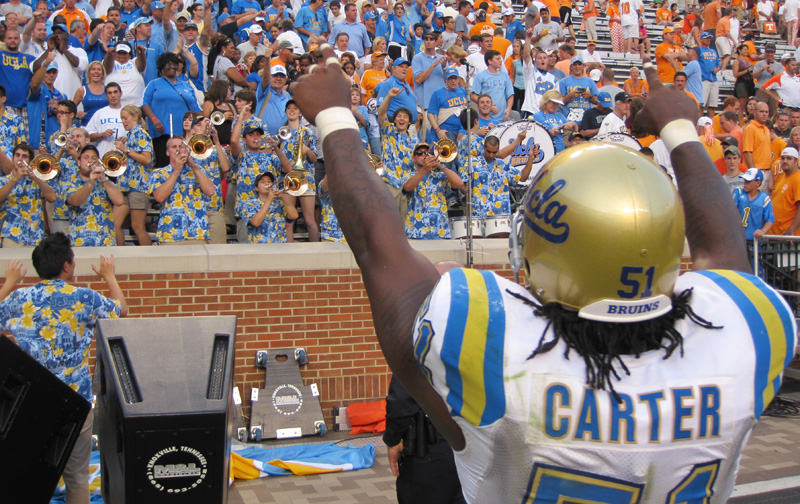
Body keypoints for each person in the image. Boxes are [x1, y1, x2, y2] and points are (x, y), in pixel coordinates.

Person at [290, 44, 797, 504]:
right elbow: (726, 250)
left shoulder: (492, 350)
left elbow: (378, 242)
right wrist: (683, 129)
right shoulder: (750, 333)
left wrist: (335, 116)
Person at [0, 234, 126, 504]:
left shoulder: (21, 298)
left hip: (31, 402)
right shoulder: (84, 297)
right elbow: (121, 311)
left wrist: (9, 282)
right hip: (75, 401)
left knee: (29, 474)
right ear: (67, 265)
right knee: (77, 478)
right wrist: (109, 276)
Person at [142, 52, 201, 168]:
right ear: (161, 67)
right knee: (164, 166)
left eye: (174, 64)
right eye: (168, 64)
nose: (172, 67)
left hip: (185, 135)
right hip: (162, 134)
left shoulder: (187, 86)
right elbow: (145, 105)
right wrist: (154, 119)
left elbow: (196, 109)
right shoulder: (153, 84)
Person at [63, 144, 124, 246]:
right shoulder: (71, 182)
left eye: (94, 158)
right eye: (86, 158)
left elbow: (119, 201)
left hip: (105, 241)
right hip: (80, 242)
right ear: (78, 162)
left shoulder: (105, 183)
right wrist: (91, 183)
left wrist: (104, 179)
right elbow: (75, 201)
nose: (90, 161)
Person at [401, 142, 464, 239]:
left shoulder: (440, 176)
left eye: (426, 152)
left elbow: (459, 183)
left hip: (440, 231)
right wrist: (425, 169)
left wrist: (440, 166)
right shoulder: (408, 175)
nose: (423, 155)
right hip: (417, 232)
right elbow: (408, 187)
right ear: (414, 158)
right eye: (419, 153)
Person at [111, 104, 153, 246]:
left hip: (138, 186)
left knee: (138, 227)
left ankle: (150, 260)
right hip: (124, 185)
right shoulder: (130, 135)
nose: (123, 121)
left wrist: (126, 149)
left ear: (135, 117)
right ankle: (121, 259)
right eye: (121, 118)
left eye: (125, 118)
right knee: (114, 223)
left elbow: (146, 159)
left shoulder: (141, 133)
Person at [0, 143, 57, 246]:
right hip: (11, 234)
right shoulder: (4, 180)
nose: (20, 159)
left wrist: (36, 178)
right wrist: (15, 179)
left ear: (30, 161)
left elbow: (52, 197)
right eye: (17, 155)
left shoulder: (37, 180)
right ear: (13, 159)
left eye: (24, 156)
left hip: (34, 235)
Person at [471, 50, 514, 124]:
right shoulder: (480, 76)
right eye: (497, 59)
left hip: (502, 117)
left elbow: (510, 94)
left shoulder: (504, 75)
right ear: (490, 61)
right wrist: (487, 106)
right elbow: (473, 95)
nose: (500, 61)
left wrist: (509, 109)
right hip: (486, 118)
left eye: (501, 59)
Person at [732, 167, 774, 241]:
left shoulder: (764, 198)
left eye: (748, 181)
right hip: (737, 239)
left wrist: (763, 231)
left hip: (754, 240)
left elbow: (770, 219)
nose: (745, 183)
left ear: (757, 183)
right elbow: (729, 212)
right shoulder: (738, 191)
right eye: (744, 180)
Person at [428, 68, 468, 143]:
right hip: (446, 130)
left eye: (455, 78)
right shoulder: (438, 93)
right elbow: (430, 114)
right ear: (445, 79)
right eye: (450, 78)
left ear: (458, 79)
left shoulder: (462, 91)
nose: (453, 81)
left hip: (461, 129)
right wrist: (438, 130)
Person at [86, 82, 126, 157]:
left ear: (121, 93)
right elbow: (88, 136)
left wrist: (127, 139)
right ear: (106, 95)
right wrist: (102, 135)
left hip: (123, 157)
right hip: (102, 155)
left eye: (115, 92)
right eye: (109, 93)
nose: (113, 95)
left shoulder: (128, 112)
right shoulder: (99, 113)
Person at [742, 101, 773, 191]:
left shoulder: (766, 129)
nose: (764, 114)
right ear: (754, 112)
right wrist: (754, 173)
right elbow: (747, 152)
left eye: (766, 112)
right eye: (761, 111)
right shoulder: (750, 128)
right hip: (757, 171)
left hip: (767, 170)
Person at [770, 145, 800, 235]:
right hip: (776, 234)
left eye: (789, 158)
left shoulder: (798, 178)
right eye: (783, 158)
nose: (785, 161)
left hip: (788, 237)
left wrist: (792, 229)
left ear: (796, 161)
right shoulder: (782, 177)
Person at [559, 56, 598, 123]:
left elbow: (597, 101)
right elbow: (560, 102)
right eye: (575, 64)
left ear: (583, 66)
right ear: (571, 67)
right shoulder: (564, 81)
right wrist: (570, 95)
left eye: (579, 64)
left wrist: (590, 96)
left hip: (586, 120)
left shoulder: (590, 81)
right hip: (569, 119)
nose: (577, 67)